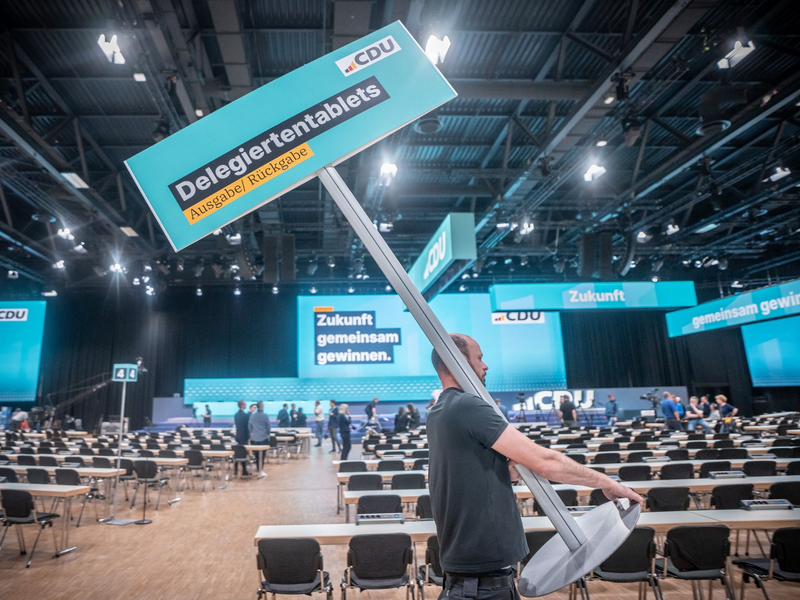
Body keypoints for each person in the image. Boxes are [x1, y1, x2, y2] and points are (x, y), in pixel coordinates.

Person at [427, 333, 643, 600]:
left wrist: (508, 471)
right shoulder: (468, 406)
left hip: (469, 578)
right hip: (481, 587)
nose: (486, 366)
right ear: (458, 360)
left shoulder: (440, 412)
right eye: (480, 358)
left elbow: (466, 476)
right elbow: (546, 462)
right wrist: (608, 483)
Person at [248, 401, 271, 478]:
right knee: (262, 455)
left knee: (257, 455)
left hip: (254, 438)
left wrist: (252, 432)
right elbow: (268, 427)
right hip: (263, 437)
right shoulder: (265, 416)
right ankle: (260, 470)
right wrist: (268, 434)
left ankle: (258, 469)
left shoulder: (252, 416)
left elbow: (249, 427)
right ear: (261, 407)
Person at [234, 399, 250, 476]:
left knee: (237, 453)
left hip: (238, 436)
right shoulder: (245, 415)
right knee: (243, 453)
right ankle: (244, 470)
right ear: (243, 405)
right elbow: (247, 426)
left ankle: (235, 469)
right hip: (244, 437)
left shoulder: (236, 415)